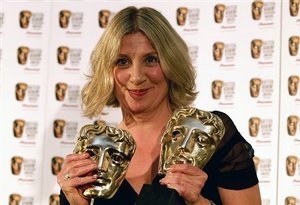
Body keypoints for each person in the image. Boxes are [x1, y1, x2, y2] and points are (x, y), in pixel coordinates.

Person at [57, 6, 261, 205]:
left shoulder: (210, 134)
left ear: (172, 64)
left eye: (151, 59)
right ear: (107, 71)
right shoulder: (94, 153)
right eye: (122, 62)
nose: (136, 77)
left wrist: (198, 203)